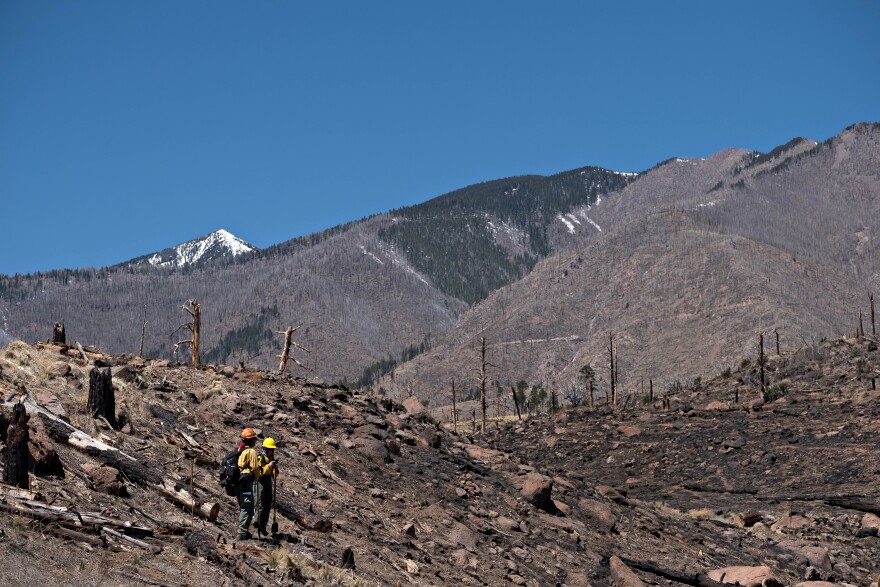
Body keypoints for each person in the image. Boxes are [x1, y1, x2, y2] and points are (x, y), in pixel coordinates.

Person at [235, 427, 260, 540]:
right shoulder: (251, 451)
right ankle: (242, 533)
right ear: (250, 440)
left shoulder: (239, 450)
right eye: (254, 439)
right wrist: (256, 478)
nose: (255, 441)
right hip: (246, 481)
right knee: (248, 508)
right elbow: (255, 467)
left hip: (237, 482)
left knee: (243, 506)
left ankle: (243, 531)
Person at [254, 437, 278, 536]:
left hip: (268, 483)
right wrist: (268, 467)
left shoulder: (271, 459)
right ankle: (257, 527)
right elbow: (258, 472)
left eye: (271, 449)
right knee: (260, 506)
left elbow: (275, 475)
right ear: (263, 448)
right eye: (267, 449)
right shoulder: (260, 458)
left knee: (267, 506)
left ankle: (263, 527)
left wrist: (275, 468)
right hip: (260, 483)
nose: (269, 451)